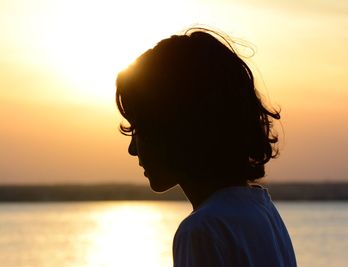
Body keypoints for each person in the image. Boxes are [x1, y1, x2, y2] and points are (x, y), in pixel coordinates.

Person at [116, 28, 297, 267]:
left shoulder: (202, 230)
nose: (132, 149)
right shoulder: (261, 211)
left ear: (175, 128)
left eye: (139, 130)